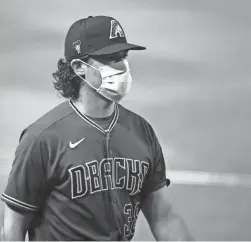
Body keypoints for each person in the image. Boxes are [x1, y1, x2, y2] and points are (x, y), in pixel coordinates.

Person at [1, 15, 194, 241]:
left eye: (123, 56)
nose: (122, 66)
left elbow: (165, 219)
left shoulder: (142, 131)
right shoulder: (42, 139)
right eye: (110, 58)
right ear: (79, 67)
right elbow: (12, 228)